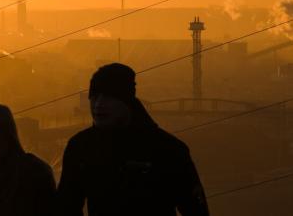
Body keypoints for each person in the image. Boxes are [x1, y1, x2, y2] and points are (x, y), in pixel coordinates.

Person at [56, 63, 208, 216]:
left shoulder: (168, 149)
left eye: (108, 97)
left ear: (127, 101)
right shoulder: (81, 147)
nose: (98, 105)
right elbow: (67, 206)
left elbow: (195, 209)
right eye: (94, 97)